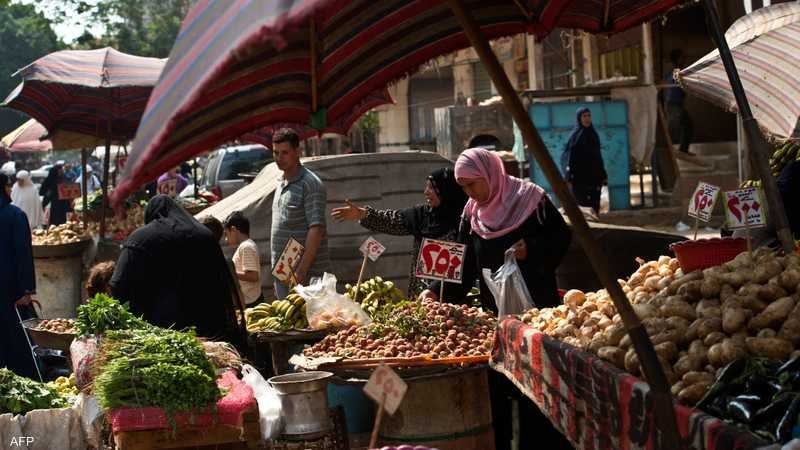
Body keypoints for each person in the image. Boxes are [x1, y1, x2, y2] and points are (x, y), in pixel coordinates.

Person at [420, 148, 573, 450]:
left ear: (490, 174)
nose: (469, 192)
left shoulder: (531, 200)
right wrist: (434, 290)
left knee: (538, 393)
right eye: (463, 187)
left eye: (472, 184)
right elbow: (464, 266)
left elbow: (561, 237)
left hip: (538, 315)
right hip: (497, 320)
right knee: (501, 393)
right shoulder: (471, 215)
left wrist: (532, 249)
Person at [110, 195, 238, 339]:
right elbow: (220, 283)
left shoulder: (141, 238)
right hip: (207, 329)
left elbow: (118, 284)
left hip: (159, 333)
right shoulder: (204, 236)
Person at [331, 167, 468, 297]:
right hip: (420, 296)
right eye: (426, 187)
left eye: (432, 188)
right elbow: (392, 220)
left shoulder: (466, 220)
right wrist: (362, 214)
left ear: (446, 190)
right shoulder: (421, 215)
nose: (426, 192)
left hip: (452, 299)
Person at [271, 128, 330, 299]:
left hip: (307, 277)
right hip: (284, 271)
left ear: (298, 152)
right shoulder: (281, 182)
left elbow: (316, 229)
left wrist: (302, 271)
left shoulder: (310, 184)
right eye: (275, 153)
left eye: (284, 153)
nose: (279, 158)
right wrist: (279, 278)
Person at [0, 173, 39, 378]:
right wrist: (27, 290)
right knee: (18, 339)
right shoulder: (15, 215)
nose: (10, 189)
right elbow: (23, 254)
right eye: (7, 186)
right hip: (12, 289)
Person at [562, 107, 607, 213]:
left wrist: (603, 174)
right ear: (579, 118)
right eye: (584, 116)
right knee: (584, 207)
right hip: (579, 179)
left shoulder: (593, 134)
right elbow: (569, 157)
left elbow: (598, 156)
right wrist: (568, 176)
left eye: (589, 116)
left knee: (595, 206)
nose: (587, 118)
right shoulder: (575, 136)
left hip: (594, 178)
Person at [224, 211, 263, 306]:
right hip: (248, 300)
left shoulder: (246, 247)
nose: (226, 239)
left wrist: (230, 273)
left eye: (226, 234)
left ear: (233, 230)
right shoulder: (246, 246)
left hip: (251, 302)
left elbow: (253, 276)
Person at [664, 49, 694, 155]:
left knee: (687, 125)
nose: (684, 59)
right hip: (673, 104)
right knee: (673, 128)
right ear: (677, 59)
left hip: (675, 104)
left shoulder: (674, 70)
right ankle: (667, 150)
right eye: (682, 57)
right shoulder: (675, 70)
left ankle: (682, 150)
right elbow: (678, 84)